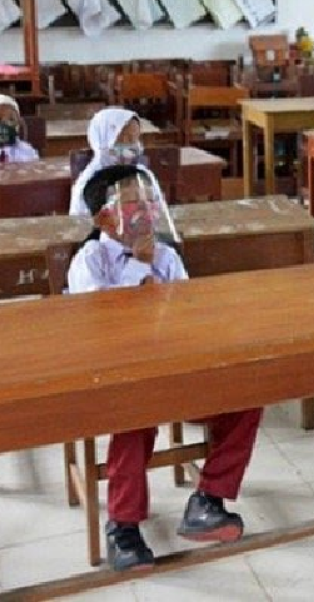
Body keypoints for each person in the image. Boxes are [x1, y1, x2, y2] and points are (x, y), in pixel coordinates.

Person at [68, 164, 263, 571]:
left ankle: (208, 499)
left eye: (150, 202)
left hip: (175, 369)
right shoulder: (91, 260)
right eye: (134, 204)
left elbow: (189, 315)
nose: (147, 212)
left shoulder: (168, 257)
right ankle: (123, 527)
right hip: (119, 379)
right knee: (134, 419)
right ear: (106, 217)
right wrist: (139, 268)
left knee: (247, 396)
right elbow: (99, 322)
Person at [69, 107, 145, 216]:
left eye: (135, 138)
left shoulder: (141, 174)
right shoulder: (87, 184)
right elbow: (81, 225)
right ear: (104, 139)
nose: (134, 146)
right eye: (126, 138)